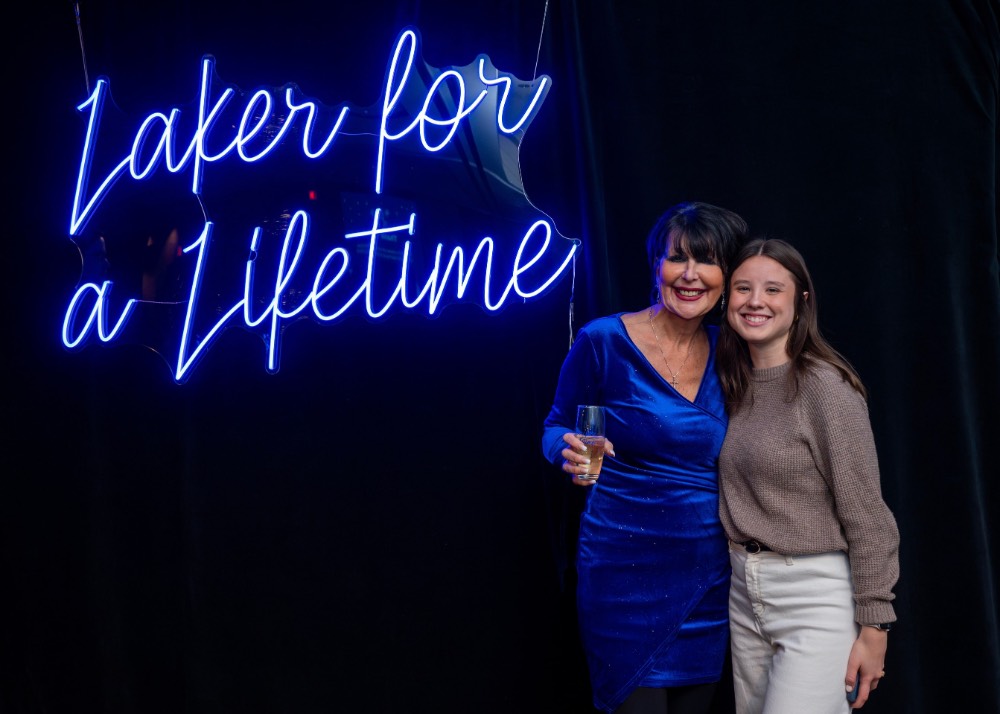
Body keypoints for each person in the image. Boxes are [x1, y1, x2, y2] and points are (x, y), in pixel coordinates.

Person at [541, 202, 749, 714]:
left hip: (706, 574)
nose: (691, 274)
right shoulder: (603, 340)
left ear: (727, 277)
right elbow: (554, 424)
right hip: (621, 568)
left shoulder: (734, 353)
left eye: (707, 261)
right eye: (678, 258)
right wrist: (565, 448)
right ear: (657, 264)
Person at [716, 238, 900, 713]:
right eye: (743, 288)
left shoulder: (824, 388)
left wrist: (875, 627)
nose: (755, 301)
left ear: (800, 302)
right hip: (743, 589)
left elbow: (867, 514)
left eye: (772, 289)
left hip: (813, 594)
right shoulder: (727, 383)